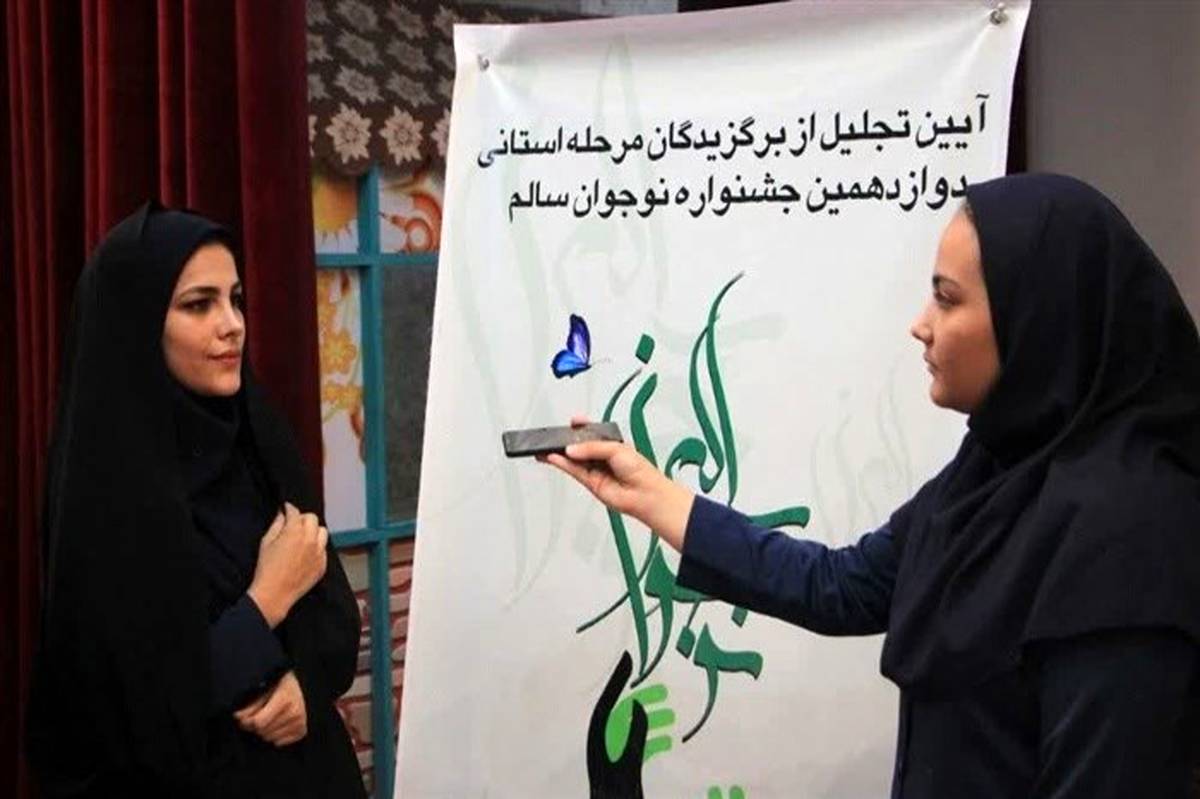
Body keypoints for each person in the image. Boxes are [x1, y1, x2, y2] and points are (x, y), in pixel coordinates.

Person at [544, 173, 1200, 798]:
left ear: (1037, 317)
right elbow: (844, 585)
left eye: (948, 298)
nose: (921, 323)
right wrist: (648, 492)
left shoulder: (1130, 538)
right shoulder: (995, 469)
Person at [27, 203, 366, 798]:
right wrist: (266, 600)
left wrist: (305, 688)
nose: (232, 324)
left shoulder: (258, 444)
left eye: (235, 300)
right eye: (198, 305)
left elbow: (333, 616)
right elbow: (133, 718)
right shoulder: (104, 498)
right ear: (138, 324)